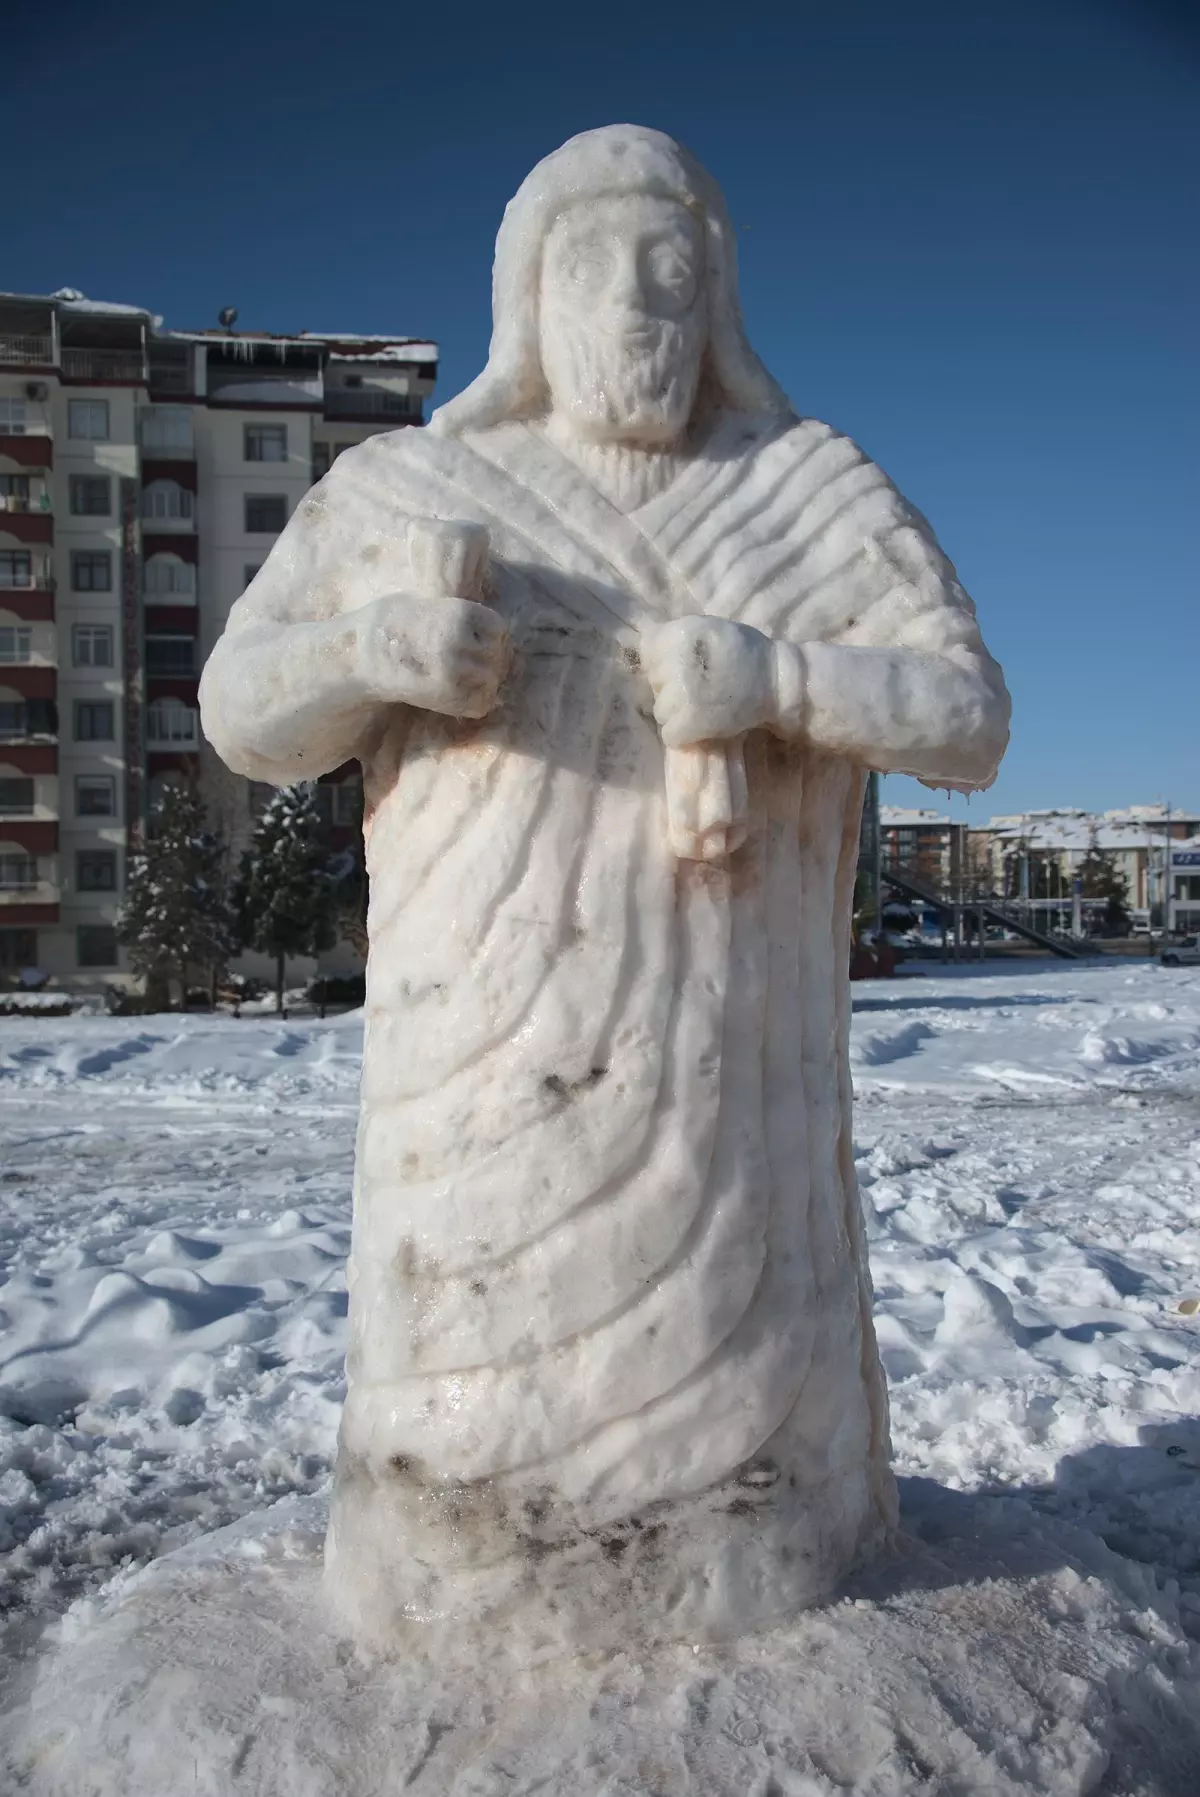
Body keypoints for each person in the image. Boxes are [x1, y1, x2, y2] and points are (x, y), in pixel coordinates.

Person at [200, 124, 1010, 1655]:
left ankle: (752, 1559)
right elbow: (244, 710)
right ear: (530, 300)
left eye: (674, 271)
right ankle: (457, 1565)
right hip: (475, 1067)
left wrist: (780, 677)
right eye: (599, 268)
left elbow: (966, 712)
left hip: (731, 1079)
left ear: (718, 306)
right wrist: (369, 653)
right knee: (470, 1399)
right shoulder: (410, 487)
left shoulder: (807, 492)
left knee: (734, 1436)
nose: (640, 305)